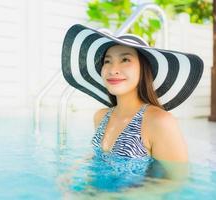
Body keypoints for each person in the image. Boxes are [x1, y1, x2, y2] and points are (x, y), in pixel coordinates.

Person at [61, 24, 204, 182]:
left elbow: (178, 182)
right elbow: (99, 159)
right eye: (107, 61)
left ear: (143, 69)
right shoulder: (101, 116)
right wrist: (72, 172)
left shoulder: (159, 121)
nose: (113, 69)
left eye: (125, 59)